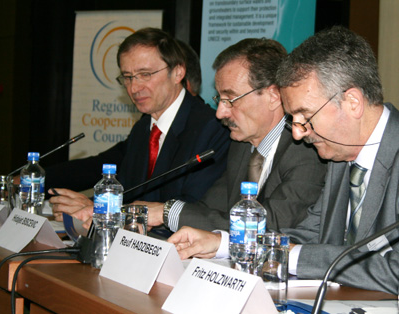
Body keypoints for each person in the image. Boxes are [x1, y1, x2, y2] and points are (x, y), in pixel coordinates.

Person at [167, 26, 399, 295]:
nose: (298, 133)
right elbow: (308, 235)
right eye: (293, 119)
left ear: (352, 102)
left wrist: (296, 257)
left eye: (305, 116)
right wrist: (224, 244)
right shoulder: (340, 156)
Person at [135, 38, 327, 237]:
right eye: (219, 99)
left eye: (230, 100)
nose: (220, 113)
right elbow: (208, 209)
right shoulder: (242, 146)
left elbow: (268, 225)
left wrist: (167, 213)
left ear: (274, 96)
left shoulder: (306, 151)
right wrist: (160, 218)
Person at [48, 28, 231, 228]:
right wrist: (92, 206)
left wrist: (100, 208)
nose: (134, 88)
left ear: (178, 72)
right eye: (128, 77)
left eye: (145, 74)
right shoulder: (142, 128)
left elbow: (192, 209)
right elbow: (130, 195)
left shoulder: (212, 129)